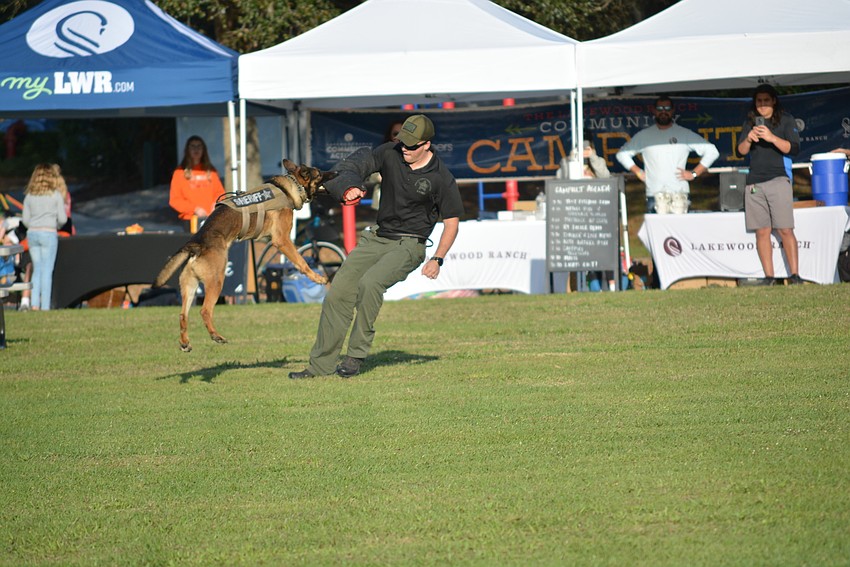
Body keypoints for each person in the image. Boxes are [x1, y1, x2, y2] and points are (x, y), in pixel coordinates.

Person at [290, 114, 465, 379]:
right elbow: (353, 165)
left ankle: (355, 356)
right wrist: (348, 186)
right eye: (402, 142)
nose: (404, 148)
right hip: (378, 238)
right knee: (338, 293)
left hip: (410, 244)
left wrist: (437, 258)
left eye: (411, 145)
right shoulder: (390, 153)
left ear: (427, 144)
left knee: (370, 283)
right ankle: (319, 367)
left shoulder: (441, 177)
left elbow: (452, 223)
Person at [737, 84, 802, 286]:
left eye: (766, 100)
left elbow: (794, 148)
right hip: (754, 182)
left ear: (774, 100)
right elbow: (740, 151)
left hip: (778, 179)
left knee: (785, 229)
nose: (763, 105)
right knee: (762, 231)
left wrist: (772, 137)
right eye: (759, 101)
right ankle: (769, 277)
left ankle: (795, 275)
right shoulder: (750, 122)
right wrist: (749, 139)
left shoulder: (786, 120)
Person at [616, 95, 720, 214]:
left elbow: (712, 151)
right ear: (654, 111)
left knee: (681, 227)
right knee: (656, 227)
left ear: (672, 111)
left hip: (680, 195)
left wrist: (694, 173)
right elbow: (622, 154)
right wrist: (638, 172)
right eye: (660, 108)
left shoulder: (684, 133)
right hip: (654, 194)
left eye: (667, 108)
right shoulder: (644, 135)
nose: (663, 112)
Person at [22, 163, 67, 311]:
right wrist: (55, 225)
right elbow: (63, 219)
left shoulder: (29, 196)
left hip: (32, 234)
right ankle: (45, 306)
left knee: (37, 269)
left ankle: (34, 304)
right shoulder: (56, 195)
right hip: (49, 233)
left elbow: (25, 220)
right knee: (47, 270)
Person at [169, 135, 225, 232]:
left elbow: (220, 194)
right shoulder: (179, 172)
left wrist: (216, 204)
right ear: (187, 150)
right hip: (190, 220)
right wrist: (194, 209)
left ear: (203, 150)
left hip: (211, 219)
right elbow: (174, 200)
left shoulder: (211, 171)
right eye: (193, 146)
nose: (196, 149)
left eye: (199, 146)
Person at [367, 119, 404, 211]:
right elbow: (371, 176)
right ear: (390, 135)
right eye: (396, 134)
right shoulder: (381, 152)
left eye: (403, 133)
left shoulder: (414, 152)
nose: (399, 137)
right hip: (384, 203)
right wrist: (380, 176)